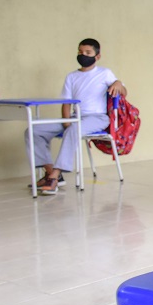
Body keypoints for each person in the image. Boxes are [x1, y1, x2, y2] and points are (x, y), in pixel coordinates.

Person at [25, 38, 126, 194]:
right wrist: (66, 121)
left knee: (73, 128)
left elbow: (123, 92)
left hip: (97, 117)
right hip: (74, 117)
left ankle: (55, 175)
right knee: (34, 130)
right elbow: (66, 103)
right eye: (80, 52)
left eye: (88, 52)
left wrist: (119, 83)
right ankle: (50, 171)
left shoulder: (104, 73)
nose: (83, 55)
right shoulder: (71, 76)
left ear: (97, 56)